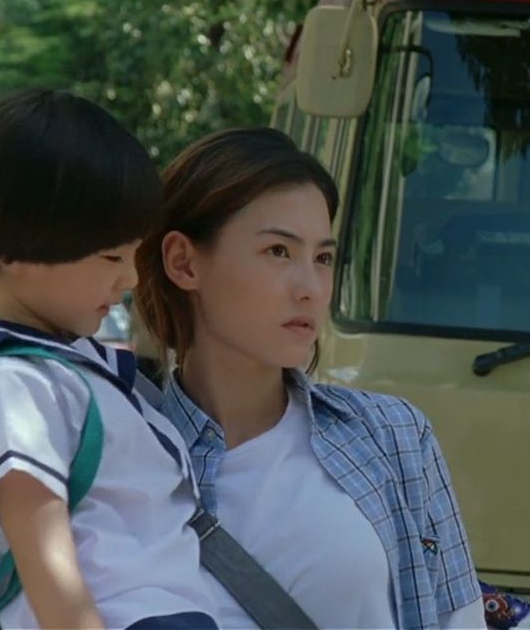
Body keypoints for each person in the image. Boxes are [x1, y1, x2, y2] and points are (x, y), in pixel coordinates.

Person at [0, 89, 218, 629]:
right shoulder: (12, 387)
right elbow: (52, 578)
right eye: (111, 256)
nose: (129, 278)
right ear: (14, 247)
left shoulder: (58, 371)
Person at [133, 127, 486, 629]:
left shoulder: (394, 435)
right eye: (279, 251)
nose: (311, 289)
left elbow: (459, 620)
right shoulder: (127, 459)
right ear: (183, 262)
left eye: (323, 258)